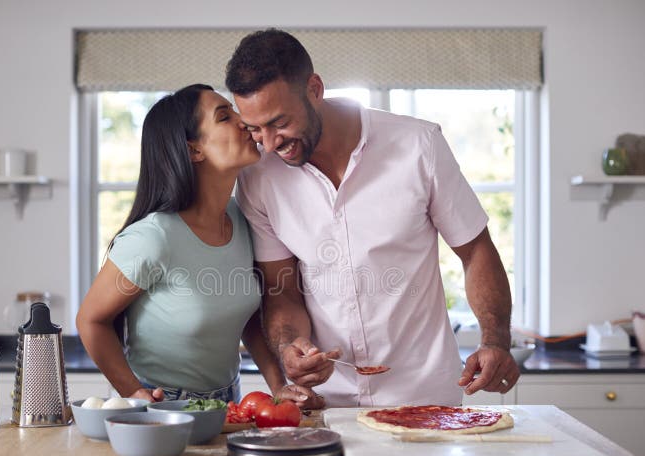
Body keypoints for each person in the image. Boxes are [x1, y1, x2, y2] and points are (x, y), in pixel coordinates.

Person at [225, 29, 519, 407]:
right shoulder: (257, 177)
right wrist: (289, 347)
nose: (268, 143)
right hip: (326, 403)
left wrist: (494, 340)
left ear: (314, 88)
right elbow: (281, 289)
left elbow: (475, 250)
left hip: (424, 396)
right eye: (254, 129)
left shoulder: (419, 145)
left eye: (279, 122)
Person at [76, 84, 319, 407]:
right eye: (224, 116)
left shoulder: (243, 218)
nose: (244, 122)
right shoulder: (153, 237)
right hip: (161, 407)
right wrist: (134, 394)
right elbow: (90, 320)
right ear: (194, 150)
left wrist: (278, 385)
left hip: (227, 402)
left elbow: (244, 314)